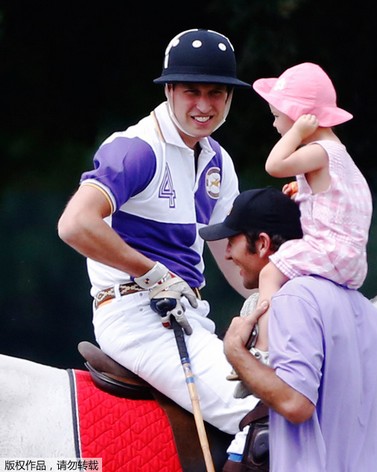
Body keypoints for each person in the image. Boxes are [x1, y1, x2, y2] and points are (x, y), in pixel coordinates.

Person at [57, 28, 260, 443]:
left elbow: (240, 268)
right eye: (191, 91)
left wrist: (282, 301)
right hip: (136, 316)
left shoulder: (219, 161)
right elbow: (75, 224)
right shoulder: (136, 148)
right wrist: (151, 272)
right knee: (265, 415)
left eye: (216, 93)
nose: (204, 106)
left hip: (187, 318)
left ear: (230, 97)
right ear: (169, 90)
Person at [198, 187, 377, 472]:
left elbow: (296, 404)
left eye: (231, 242)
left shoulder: (292, 299)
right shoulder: (370, 312)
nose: (228, 255)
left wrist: (235, 351)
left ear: (261, 243)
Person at [229, 62, 373, 382]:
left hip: (328, 250)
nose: (275, 124)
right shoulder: (338, 155)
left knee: (269, 274)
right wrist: (302, 190)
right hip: (349, 257)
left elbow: (274, 164)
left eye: (278, 116)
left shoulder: (319, 151)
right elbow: (336, 196)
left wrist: (296, 134)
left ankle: (264, 351)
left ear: (299, 116)